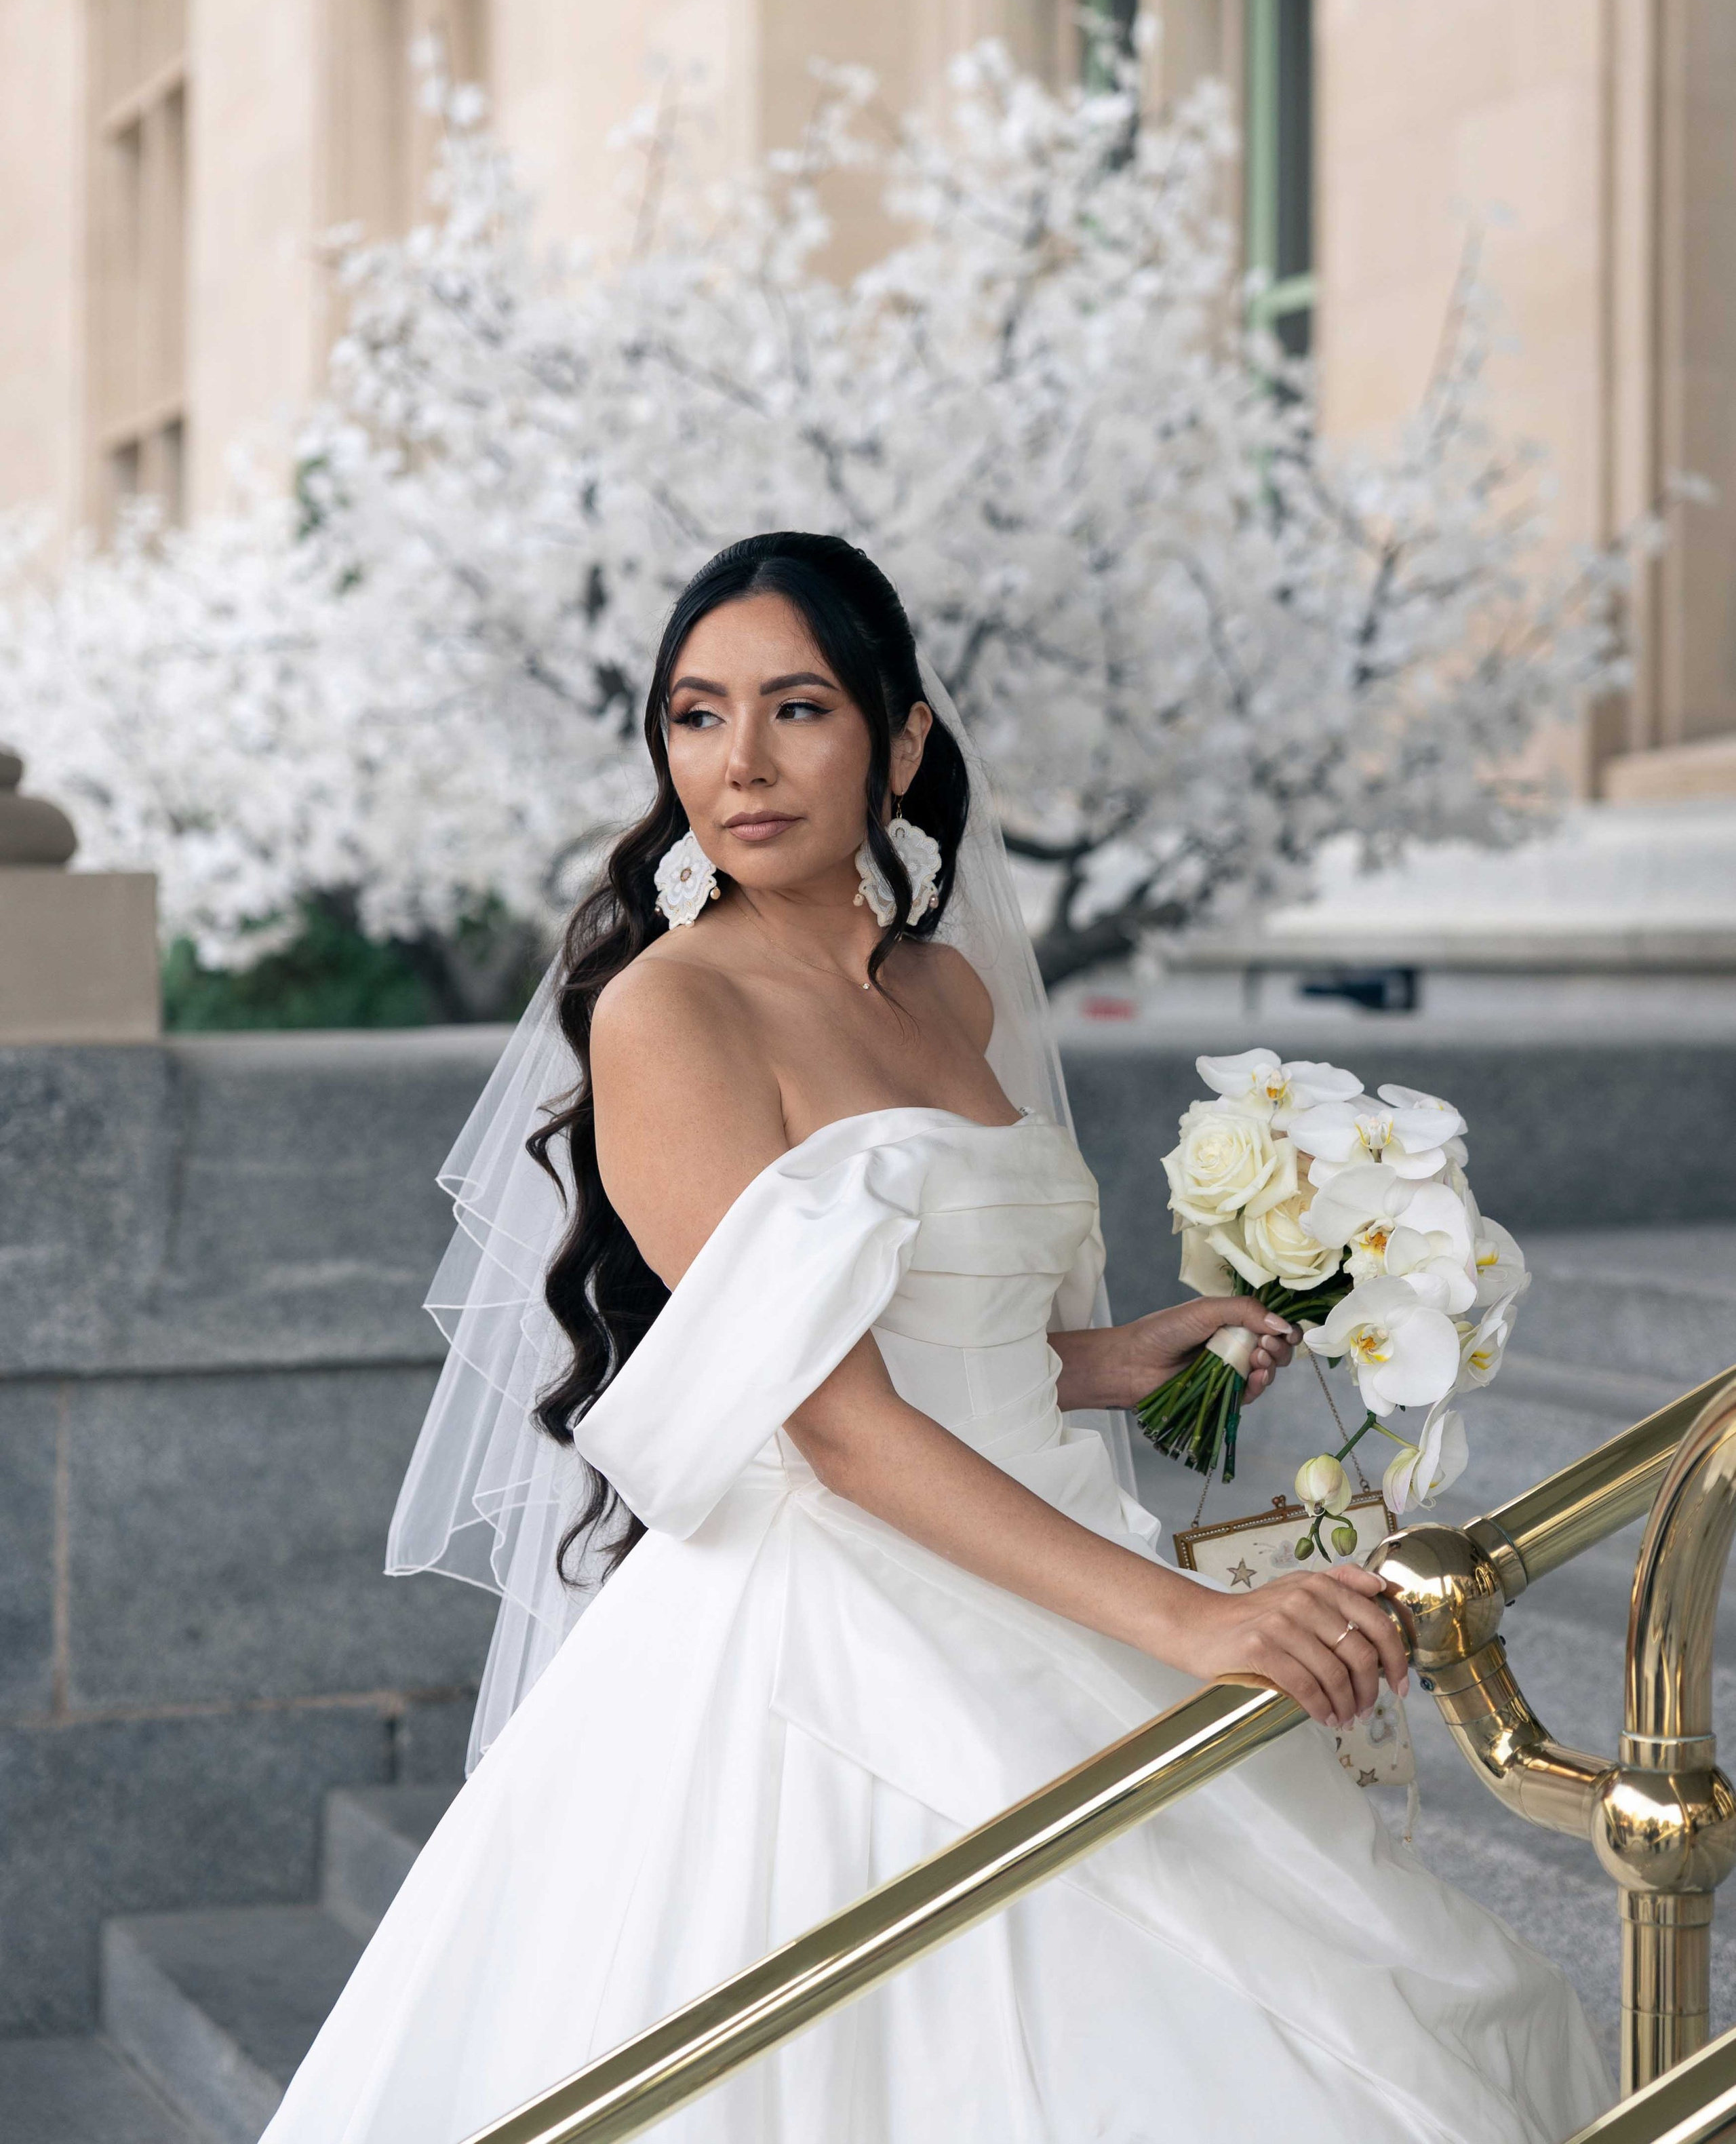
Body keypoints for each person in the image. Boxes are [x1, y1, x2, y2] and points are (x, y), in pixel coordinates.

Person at [262, 533, 1613, 2144]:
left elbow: (950, 1339)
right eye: (695, 717)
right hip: (824, 1619)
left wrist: (1118, 1359)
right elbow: (832, 1422)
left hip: (1040, 1546)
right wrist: (1186, 1628)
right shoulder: (667, 1010)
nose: (738, 765)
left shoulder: (951, 994)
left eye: (796, 709)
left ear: (899, 743)